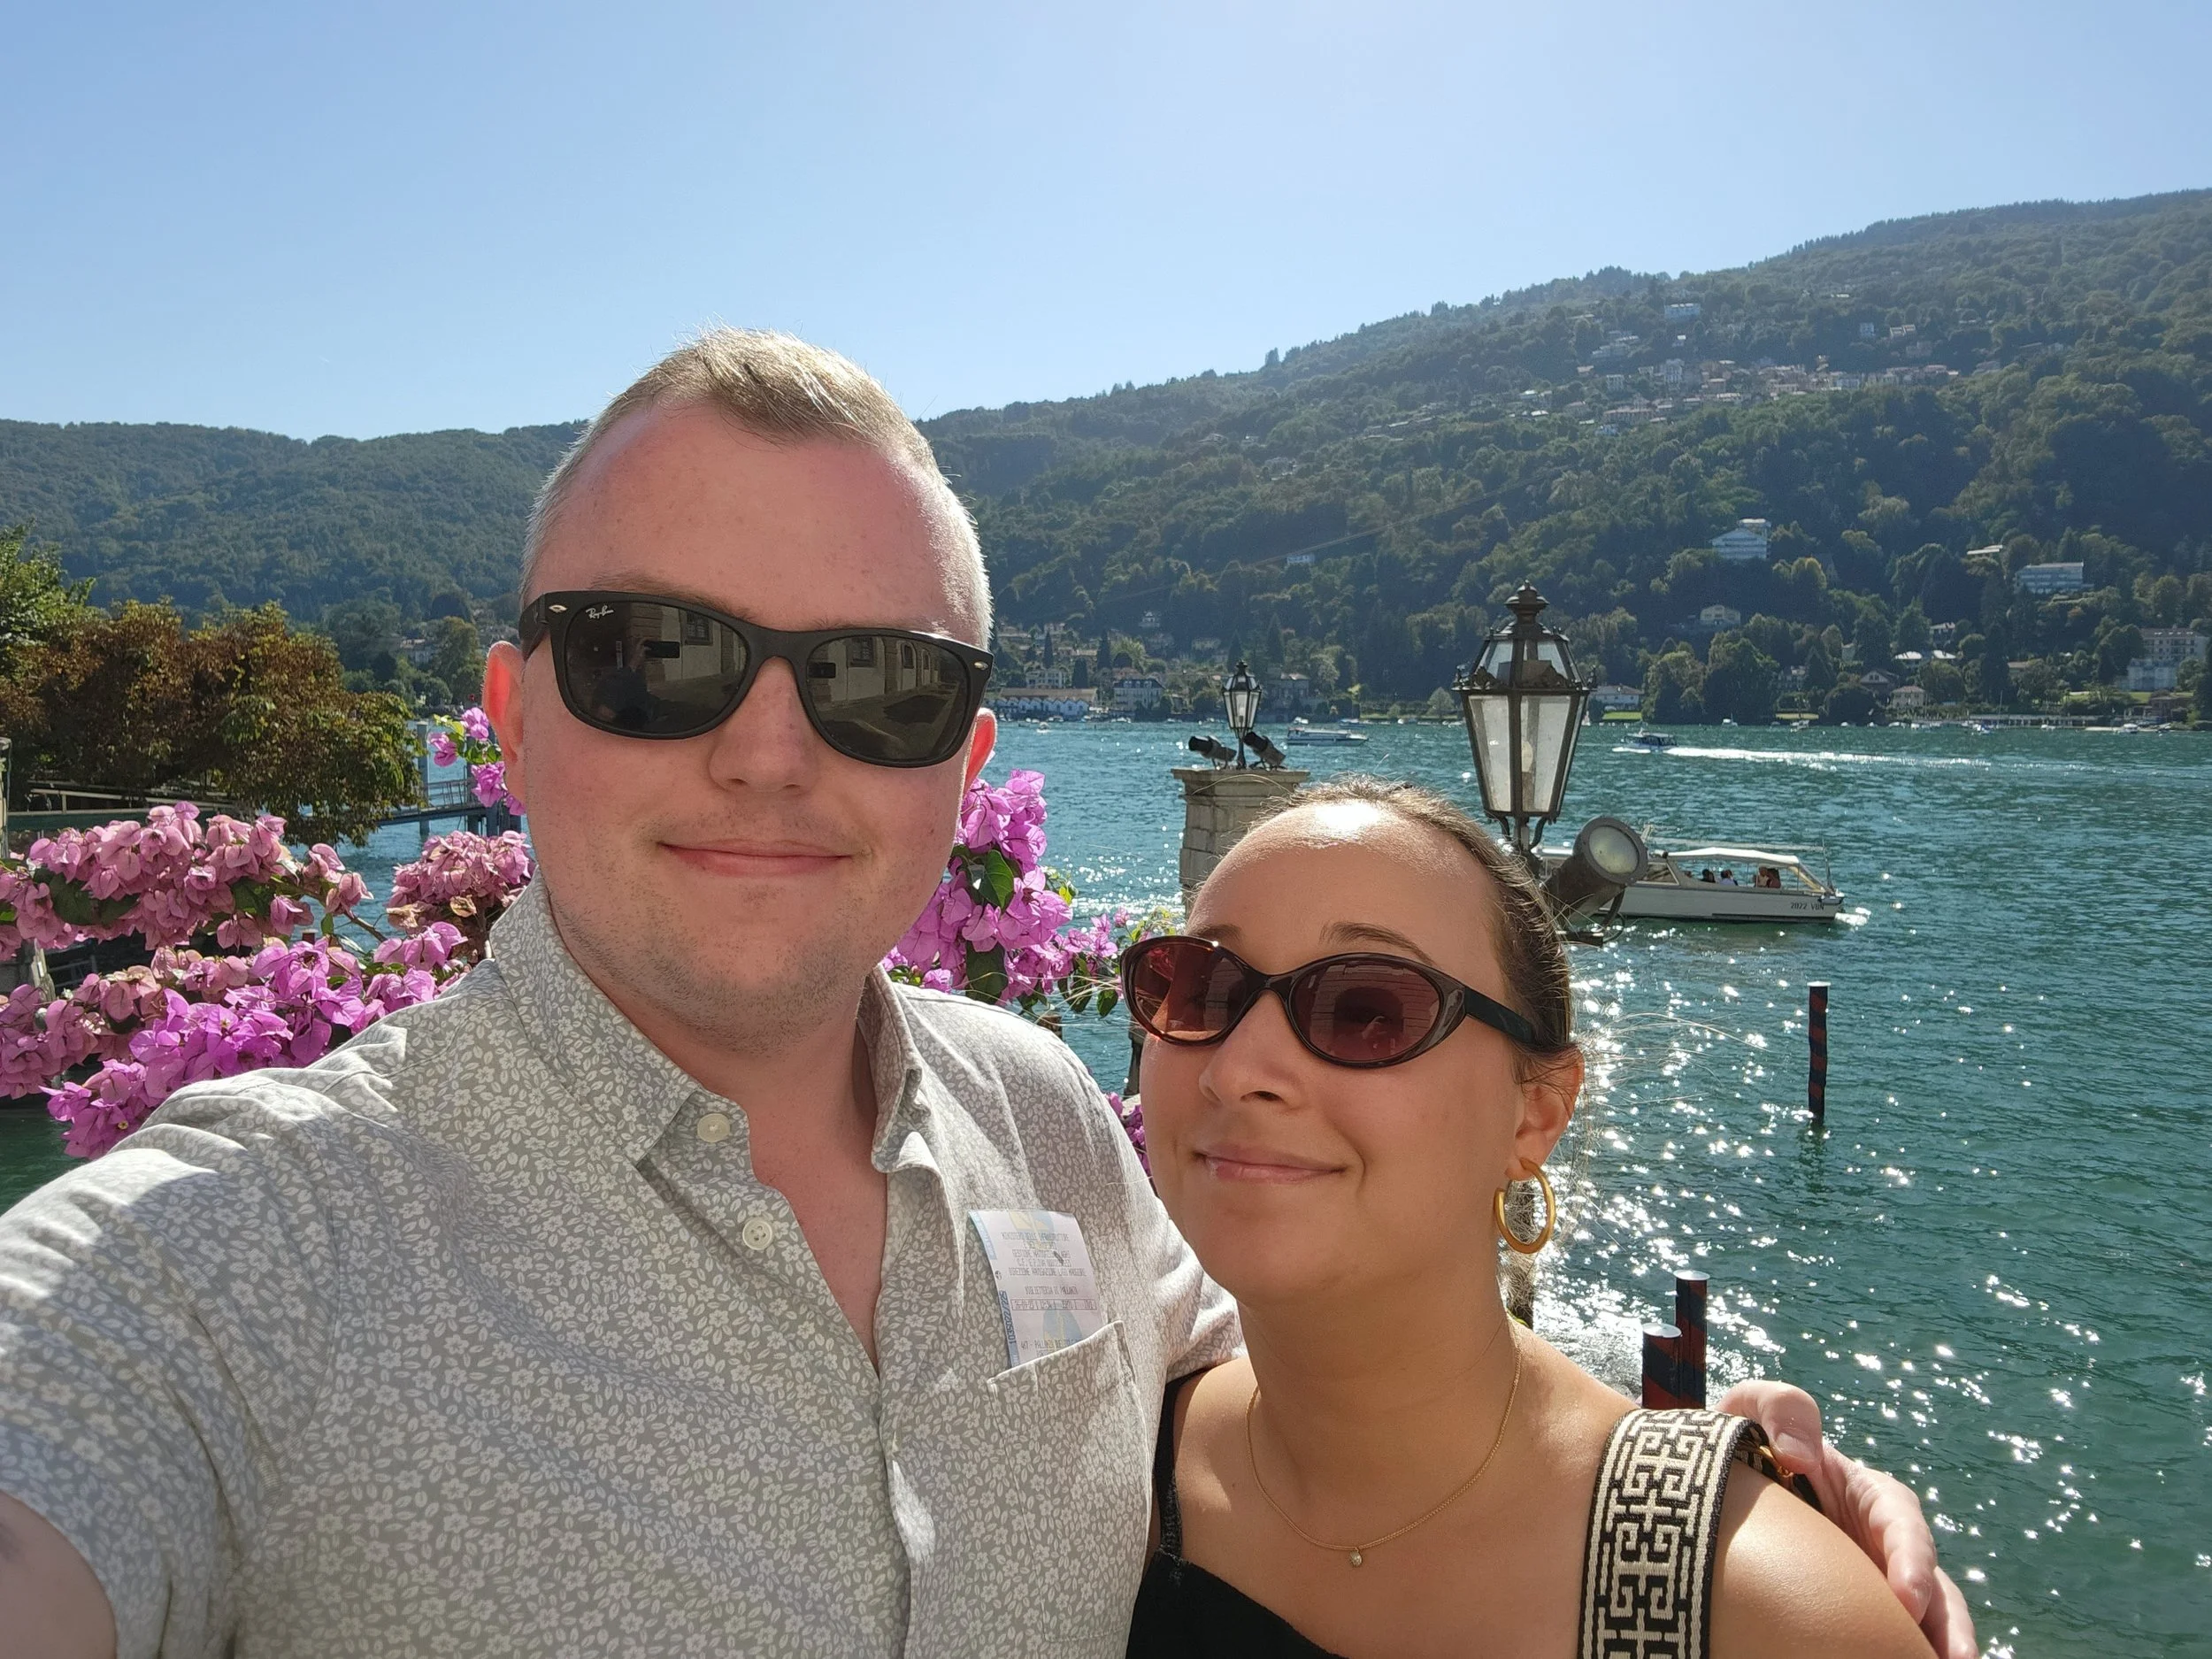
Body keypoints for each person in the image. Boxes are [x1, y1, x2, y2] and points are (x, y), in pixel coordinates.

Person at [0, 331, 1969, 1658]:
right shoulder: (222, 1265)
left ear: (961, 759)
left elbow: (1248, 1381)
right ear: (510, 716)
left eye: (872, 682)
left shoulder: (1036, 1111)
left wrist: (1683, 1490)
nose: (772, 751)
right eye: (654, 655)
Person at [1119, 778, 1954, 1657]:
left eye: (1367, 1009)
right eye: (1202, 987)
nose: (1238, 1066)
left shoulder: (1754, 1611)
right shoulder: (1120, 1460)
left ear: (1535, 1114)